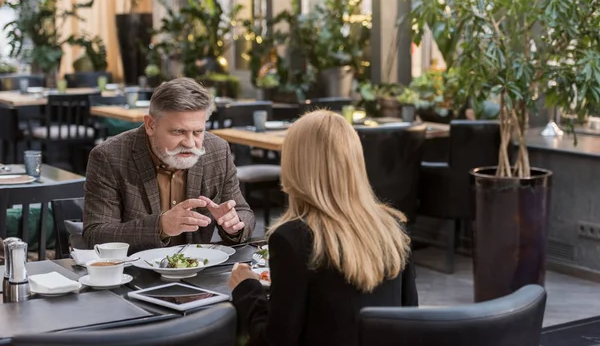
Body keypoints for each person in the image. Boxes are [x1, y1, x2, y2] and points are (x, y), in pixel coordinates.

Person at [228, 110, 418, 346]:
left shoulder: (292, 239)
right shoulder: (393, 227)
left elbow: (275, 341)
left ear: (294, 165)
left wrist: (247, 288)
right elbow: (410, 318)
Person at [83, 78, 255, 252]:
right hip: (135, 272)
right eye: (178, 131)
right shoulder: (109, 156)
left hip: (200, 270)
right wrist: (160, 226)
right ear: (151, 125)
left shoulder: (217, 151)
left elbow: (244, 213)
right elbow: (95, 235)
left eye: (198, 132)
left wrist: (234, 225)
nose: (190, 143)